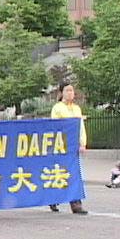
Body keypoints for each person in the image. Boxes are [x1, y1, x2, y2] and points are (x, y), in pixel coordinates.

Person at [49, 83, 88, 215]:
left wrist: (82, 143)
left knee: (74, 174)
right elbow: (55, 127)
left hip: (74, 147)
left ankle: (76, 204)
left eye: (72, 90)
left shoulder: (76, 108)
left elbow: (81, 127)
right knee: (60, 172)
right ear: (61, 93)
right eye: (67, 90)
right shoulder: (57, 108)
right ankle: (53, 198)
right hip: (62, 146)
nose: (70, 93)